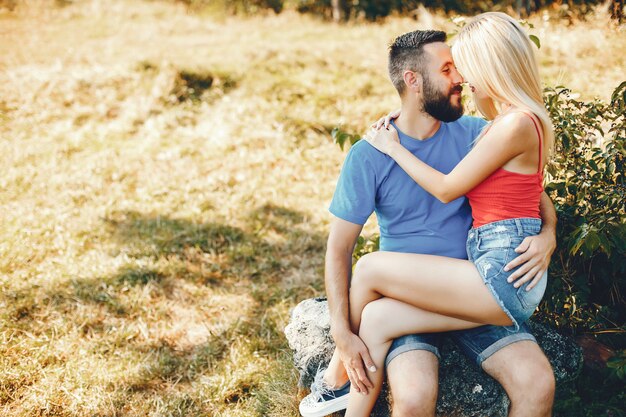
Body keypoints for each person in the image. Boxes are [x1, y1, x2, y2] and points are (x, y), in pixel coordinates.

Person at [299, 15, 557, 417]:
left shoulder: (479, 132)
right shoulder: (369, 154)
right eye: (448, 68)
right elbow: (339, 248)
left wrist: (548, 234)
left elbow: (529, 191)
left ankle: (335, 384)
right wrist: (342, 332)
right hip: (420, 294)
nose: (460, 78)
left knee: (537, 383)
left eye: (460, 66)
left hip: (478, 282)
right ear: (413, 80)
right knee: (414, 393)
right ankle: (339, 378)